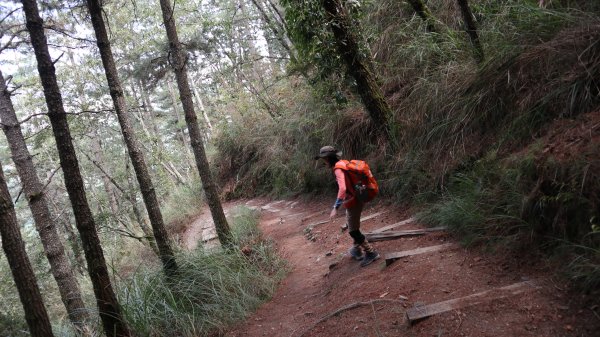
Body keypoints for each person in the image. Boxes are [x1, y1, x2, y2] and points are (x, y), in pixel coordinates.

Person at [315, 145, 380, 267]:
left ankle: (371, 252)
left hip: (353, 201)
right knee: (352, 225)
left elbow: (343, 188)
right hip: (356, 197)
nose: (324, 161)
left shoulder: (338, 169)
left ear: (328, 158)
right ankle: (356, 249)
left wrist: (335, 207)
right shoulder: (343, 163)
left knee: (353, 231)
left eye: (324, 159)